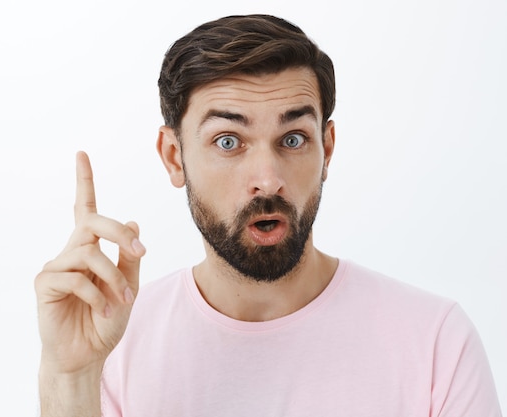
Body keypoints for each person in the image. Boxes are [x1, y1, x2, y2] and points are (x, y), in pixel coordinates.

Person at [34, 14, 502, 416]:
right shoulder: (115, 342)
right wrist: (71, 376)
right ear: (174, 157)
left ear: (328, 148)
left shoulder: (435, 343)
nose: (268, 178)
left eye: (294, 138)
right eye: (228, 142)